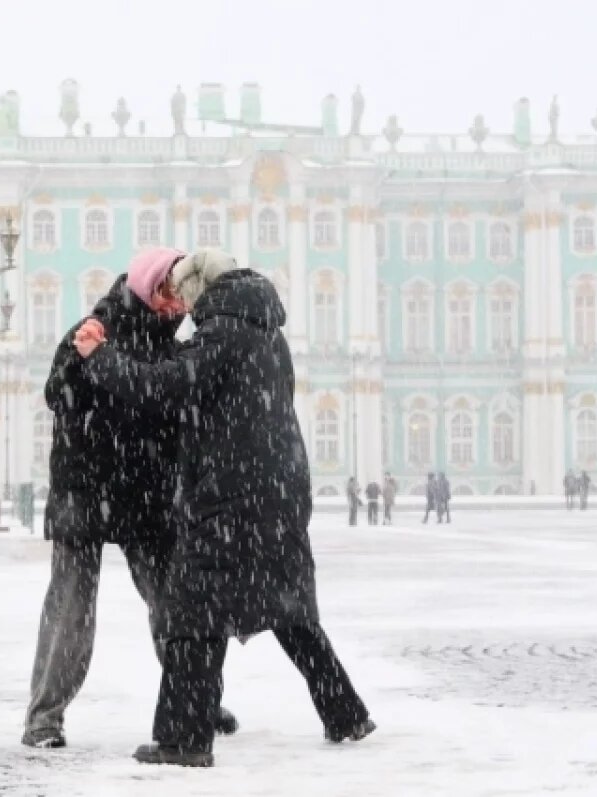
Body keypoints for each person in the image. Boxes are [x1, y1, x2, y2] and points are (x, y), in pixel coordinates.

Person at [75, 250, 374, 767]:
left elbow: (165, 388)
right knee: (291, 609)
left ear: (200, 289)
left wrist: (99, 359)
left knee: (193, 614)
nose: (181, 306)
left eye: (182, 294)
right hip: (277, 490)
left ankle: (183, 739)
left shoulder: (224, 332)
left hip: (230, 495)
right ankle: (345, 712)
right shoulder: (267, 333)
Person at [23, 246, 238, 750]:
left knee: (172, 605)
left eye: (181, 296)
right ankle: (44, 718)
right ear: (146, 288)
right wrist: (78, 363)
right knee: (71, 611)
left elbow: (168, 408)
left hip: (147, 497)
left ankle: (197, 699)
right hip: (86, 490)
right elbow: (57, 395)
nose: (177, 305)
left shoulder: (175, 346)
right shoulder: (93, 326)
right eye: (169, 294)